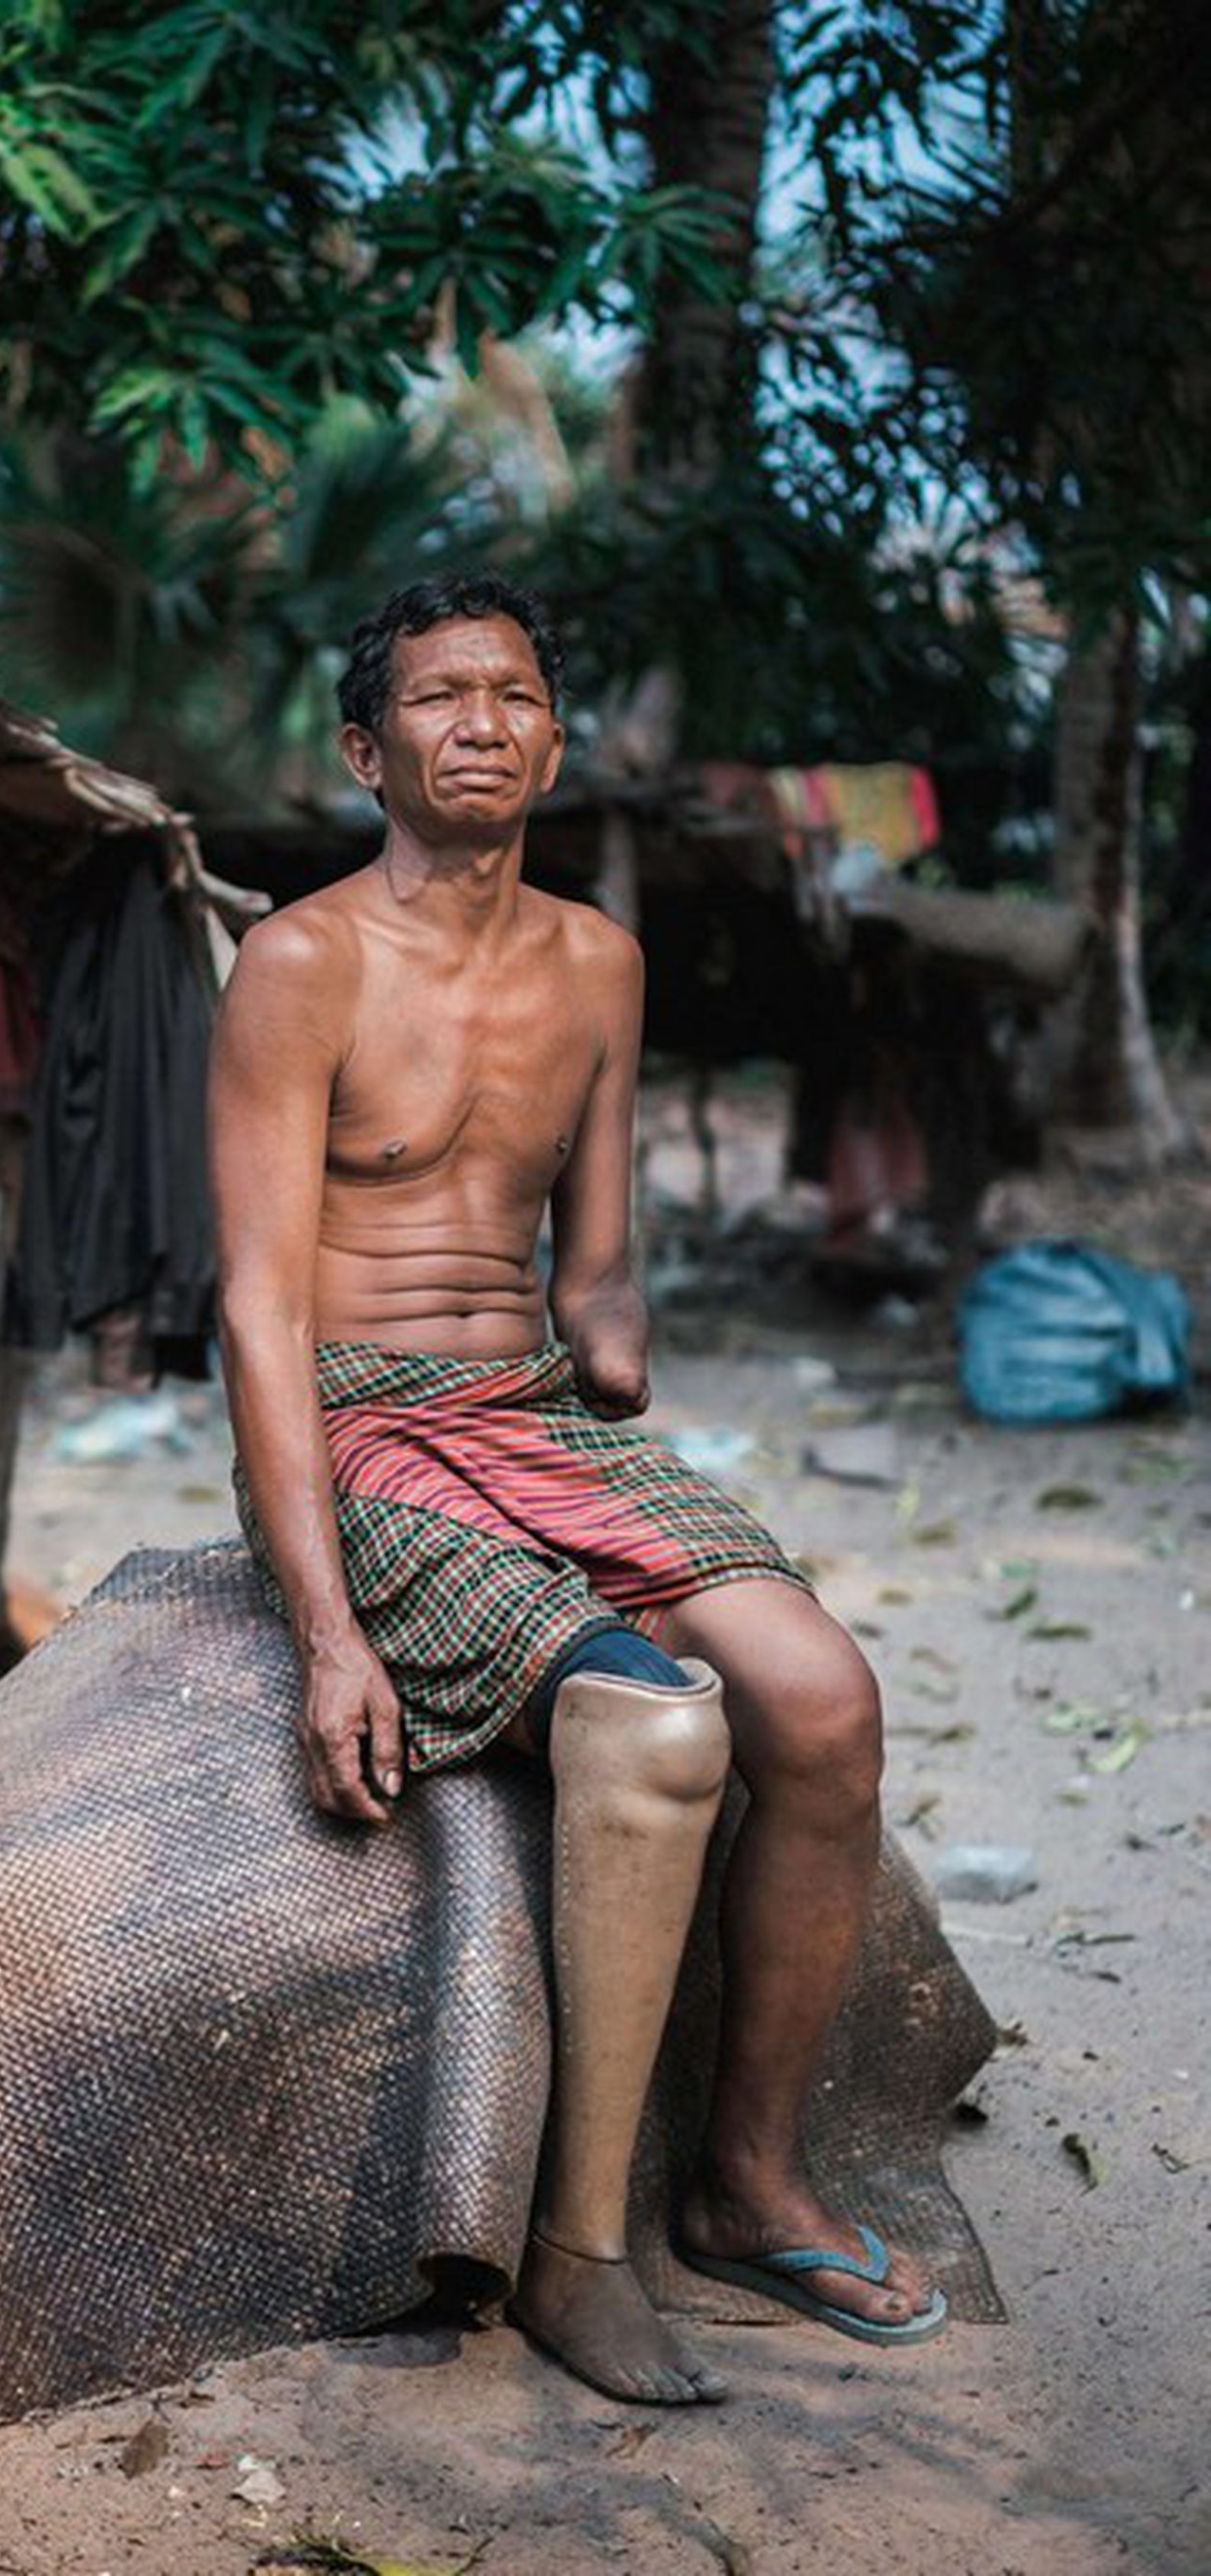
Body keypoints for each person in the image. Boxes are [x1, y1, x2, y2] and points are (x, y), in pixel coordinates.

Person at [206, 573, 946, 2407]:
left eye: (516, 693)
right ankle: (574, 2249)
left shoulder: (599, 958)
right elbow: (255, 1305)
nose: (485, 721)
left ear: (553, 734)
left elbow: (600, 1274)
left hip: (534, 1411)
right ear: (368, 751)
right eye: (442, 697)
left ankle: (750, 2182)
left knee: (824, 1701)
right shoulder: (301, 962)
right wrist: (324, 1632)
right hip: (361, 1414)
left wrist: (631, 1449)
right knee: (654, 1730)